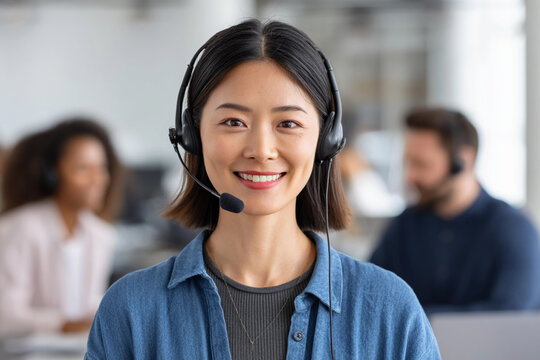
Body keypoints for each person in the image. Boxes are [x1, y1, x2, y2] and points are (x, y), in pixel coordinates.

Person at [85, 19, 440, 359]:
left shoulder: (389, 309)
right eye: (233, 122)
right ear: (192, 137)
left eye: (288, 123)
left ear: (326, 140)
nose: (261, 149)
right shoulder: (131, 310)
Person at [370, 107, 540, 314]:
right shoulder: (404, 226)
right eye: (408, 163)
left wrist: (412, 320)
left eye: (422, 165)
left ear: (463, 161)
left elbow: (509, 318)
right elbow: (370, 297)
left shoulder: (513, 229)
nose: (410, 176)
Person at [0, 118, 123, 336]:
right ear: (52, 173)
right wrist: (64, 324)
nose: (98, 179)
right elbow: (6, 315)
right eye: (83, 168)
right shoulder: (20, 228)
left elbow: (92, 307)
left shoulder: (101, 234)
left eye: (101, 168)